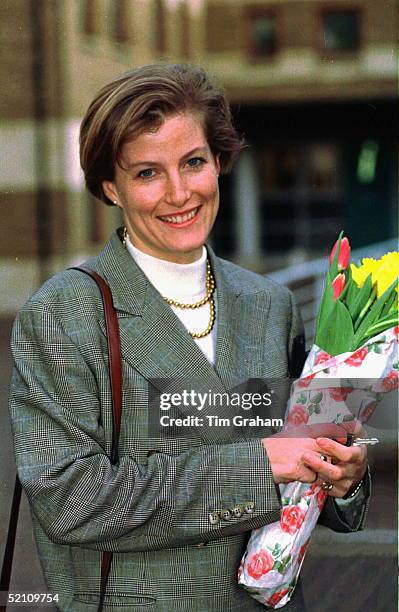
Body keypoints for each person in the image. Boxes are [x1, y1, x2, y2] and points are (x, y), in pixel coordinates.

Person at [9, 63, 369, 612]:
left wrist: (343, 472)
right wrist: (260, 466)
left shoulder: (267, 305)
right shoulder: (64, 315)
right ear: (111, 187)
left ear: (218, 163)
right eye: (148, 173)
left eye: (193, 163)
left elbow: (302, 446)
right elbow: (68, 501)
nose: (180, 194)